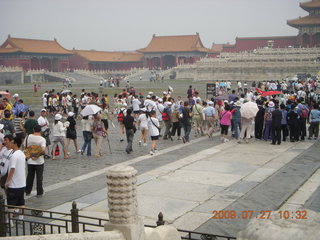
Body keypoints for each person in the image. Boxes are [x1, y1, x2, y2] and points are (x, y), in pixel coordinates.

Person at [5, 137, 26, 221]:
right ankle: (21, 218)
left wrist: (7, 181)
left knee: (11, 204)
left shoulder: (14, 155)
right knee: (21, 202)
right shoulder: (22, 154)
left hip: (14, 184)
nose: (11, 144)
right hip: (22, 183)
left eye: (12, 142)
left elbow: (12, 169)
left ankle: (9, 221)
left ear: (15, 144)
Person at [24, 125, 46, 197]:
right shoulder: (42, 139)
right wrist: (36, 155)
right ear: (40, 130)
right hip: (39, 161)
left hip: (30, 160)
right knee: (39, 177)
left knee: (30, 176)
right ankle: (39, 192)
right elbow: (43, 150)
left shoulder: (28, 137)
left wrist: (31, 154)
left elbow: (24, 146)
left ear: (33, 130)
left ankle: (27, 191)